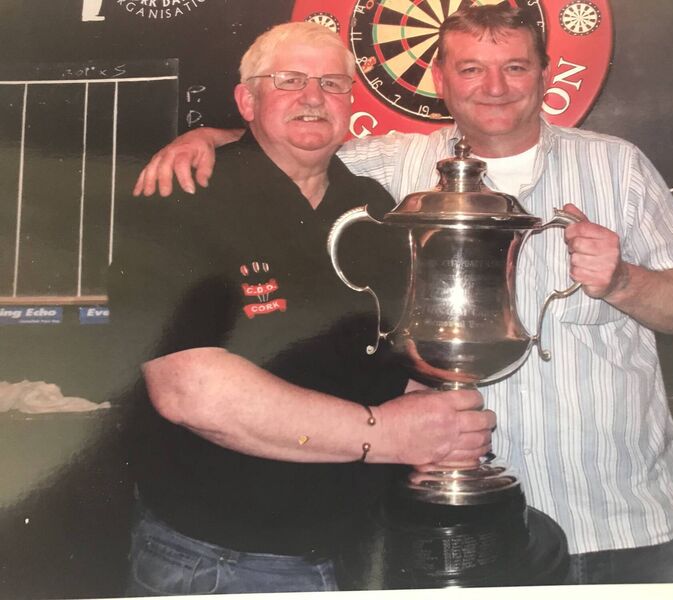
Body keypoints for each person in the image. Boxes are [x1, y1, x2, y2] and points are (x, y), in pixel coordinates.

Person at [131, 5, 673, 585]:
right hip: (456, 528)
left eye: (515, 67)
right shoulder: (395, 171)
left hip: (631, 520)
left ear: (546, 74)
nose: (493, 87)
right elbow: (290, 136)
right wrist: (206, 138)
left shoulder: (617, 166)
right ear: (441, 81)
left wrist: (623, 281)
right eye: (469, 69)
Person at [108, 21, 495, 595]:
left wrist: (438, 423)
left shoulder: (371, 207)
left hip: (360, 549)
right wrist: (384, 434)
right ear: (248, 99)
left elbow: (379, 359)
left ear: (351, 105)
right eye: (289, 80)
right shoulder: (182, 195)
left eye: (334, 84)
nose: (314, 97)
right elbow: (189, 388)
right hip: (223, 562)